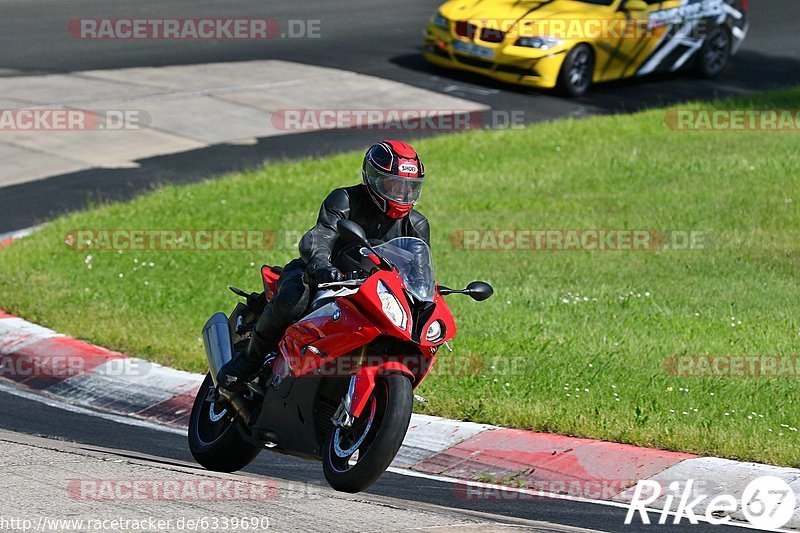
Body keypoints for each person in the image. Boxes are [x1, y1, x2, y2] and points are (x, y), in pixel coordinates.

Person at [217, 140, 430, 390]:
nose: (401, 194)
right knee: (294, 299)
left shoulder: (417, 224)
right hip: (323, 276)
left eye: (409, 188)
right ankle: (248, 362)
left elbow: (418, 268)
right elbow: (321, 236)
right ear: (373, 179)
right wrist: (320, 264)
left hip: (372, 292)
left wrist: (428, 294)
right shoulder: (345, 199)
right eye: (393, 185)